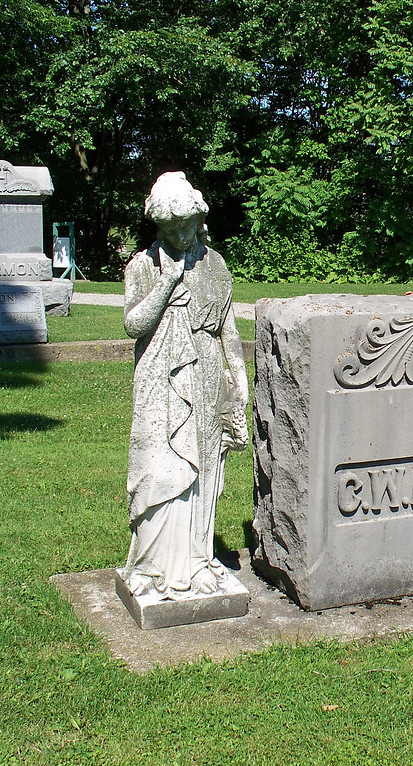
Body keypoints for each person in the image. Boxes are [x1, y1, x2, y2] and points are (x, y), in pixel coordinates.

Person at [120, 172, 248, 599]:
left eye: (186, 226)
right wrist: (167, 283)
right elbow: (132, 324)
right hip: (159, 378)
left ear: (199, 219)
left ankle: (196, 558)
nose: (179, 235)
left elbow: (228, 330)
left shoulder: (215, 265)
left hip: (208, 373)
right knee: (158, 468)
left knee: (205, 469)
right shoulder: (141, 266)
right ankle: (150, 566)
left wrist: (239, 382)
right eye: (169, 229)